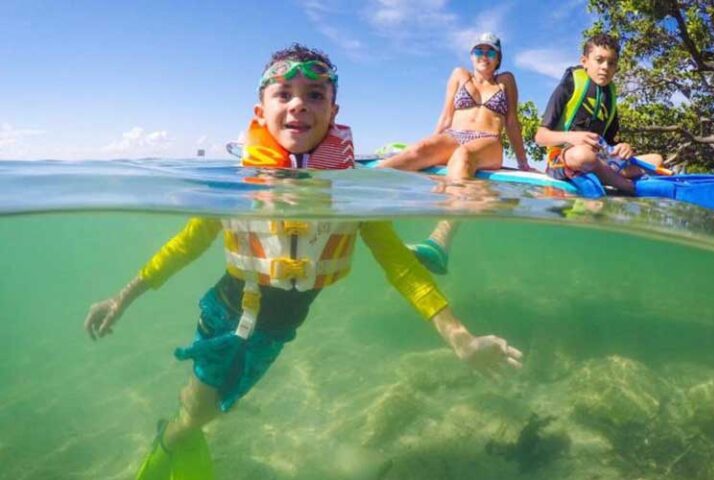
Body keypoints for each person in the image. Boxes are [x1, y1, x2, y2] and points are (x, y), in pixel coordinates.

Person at [83, 44, 523, 480]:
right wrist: (122, 299)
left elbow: (402, 269)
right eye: (284, 93)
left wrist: (460, 338)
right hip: (227, 307)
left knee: (217, 406)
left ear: (333, 111)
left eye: (315, 94)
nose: (298, 104)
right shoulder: (237, 187)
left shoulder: (350, 196)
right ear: (261, 108)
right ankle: (173, 438)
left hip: (280, 326)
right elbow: (184, 246)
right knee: (199, 407)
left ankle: (184, 430)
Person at [377, 32, 530, 180]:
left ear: (498, 59)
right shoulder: (459, 75)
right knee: (419, 149)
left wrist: (522, 162)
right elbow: (446, 117)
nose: (484, 56)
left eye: (490, 53)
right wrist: (431, 144)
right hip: (454, 136)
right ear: (471, 56)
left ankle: (455, 204)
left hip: (488, 140)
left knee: (463, 155)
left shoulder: (505, 81)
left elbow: (512, 122)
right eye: (479, 51)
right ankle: (363, 184)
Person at [535, 33, 663, 194]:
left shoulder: (610, 95)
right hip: (564, 157)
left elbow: (611, 143)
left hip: (600, 159)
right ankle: (627, 186)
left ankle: (603, 174)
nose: (605, 67)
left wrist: (623, 147)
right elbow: (540, 137)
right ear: (584, 62)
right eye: (599, 60)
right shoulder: (569, 84)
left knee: (656, 160)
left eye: (611, 63)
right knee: (582, 156)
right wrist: (572, 137)